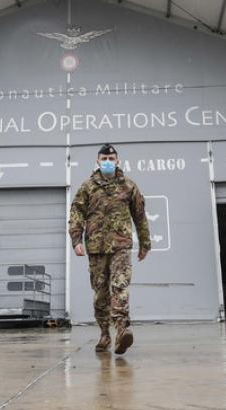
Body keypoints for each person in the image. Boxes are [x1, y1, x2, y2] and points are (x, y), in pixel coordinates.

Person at [69, 143, 151, 354]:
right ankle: (105, 333)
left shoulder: (129, 186)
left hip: (120, 245)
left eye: (111, 159)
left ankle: (122, 329)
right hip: (96, 248)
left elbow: (140, 215)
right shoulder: (87, 187)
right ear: (97, 161)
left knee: (120, 285)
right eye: (104, 159)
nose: (107, 162)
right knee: (100, 294)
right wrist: (76, 240)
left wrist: (145, 243)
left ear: (117, 161)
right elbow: (76, 212)